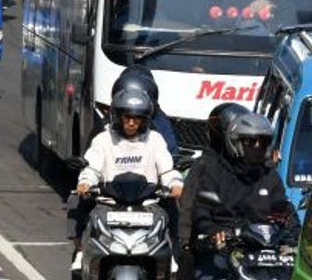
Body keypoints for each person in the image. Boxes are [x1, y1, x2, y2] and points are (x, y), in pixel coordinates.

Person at [71, 88, 184, 271]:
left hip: (148, 205)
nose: (131, 123)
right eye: (126, 118)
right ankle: (80, 251)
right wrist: (85, 182)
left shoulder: (155, 140)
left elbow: (167, 170)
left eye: (137, 118)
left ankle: (172, 255)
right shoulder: (103, 139)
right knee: (77, 201)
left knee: (173, 208)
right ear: (116, 116)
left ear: (145, 119)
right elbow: (92, 168)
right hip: (107, 204)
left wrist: (175, 184)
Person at [191, 112, 298, 280]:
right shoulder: (214, 174)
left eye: (262, 142)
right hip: (224, 252)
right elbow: (201, 212)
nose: (256, 147)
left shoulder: (271, 177)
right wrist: (213, 231)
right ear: (234, 143)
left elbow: (285, 211)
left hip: (266, 253)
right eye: (249, 142)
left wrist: (296, 237)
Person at [178, 103, 249, 263]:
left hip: (249, 245)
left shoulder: (253, 166)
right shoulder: (204, 165)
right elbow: (188, 205)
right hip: (212, 247)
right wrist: (185, 243)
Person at [110, 64, 180, 161]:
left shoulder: (158, 125)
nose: (131, 122)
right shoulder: (105, 130)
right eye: (126, 116)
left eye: (138, 117)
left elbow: (171, 155)